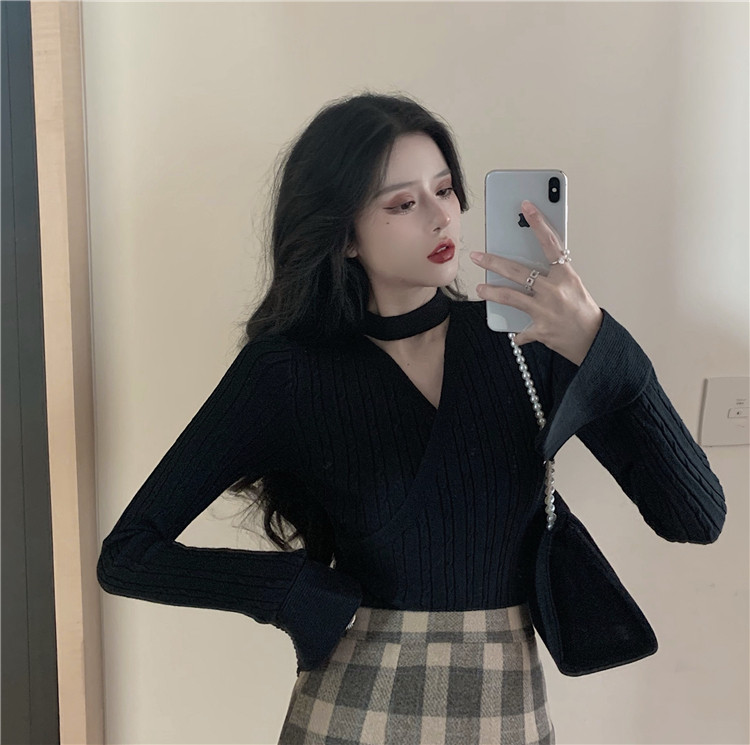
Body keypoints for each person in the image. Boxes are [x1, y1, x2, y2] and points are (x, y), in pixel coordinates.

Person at [97, 91, 726, 745]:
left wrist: (600, 344)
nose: (441, 216)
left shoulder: (529, 344)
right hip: (352, 708)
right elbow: (128, 554)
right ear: (345, 236)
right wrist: (289, 590)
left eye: (445, 189)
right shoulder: (287, 370)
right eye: (403, 203)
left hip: (503, 710)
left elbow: (697, 516)